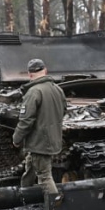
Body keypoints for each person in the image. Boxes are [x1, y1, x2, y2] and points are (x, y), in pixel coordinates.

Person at [12, 58, 67, 196]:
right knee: (30, 168)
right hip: (53, 139)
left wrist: (16, 138)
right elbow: (64, 111)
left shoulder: (33, 92)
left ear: (29, 74)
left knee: (44, 177)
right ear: (45, 70)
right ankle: (25, 197)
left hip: (39, 142)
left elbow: (25, 121)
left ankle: (57, 209)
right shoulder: (58, 89)